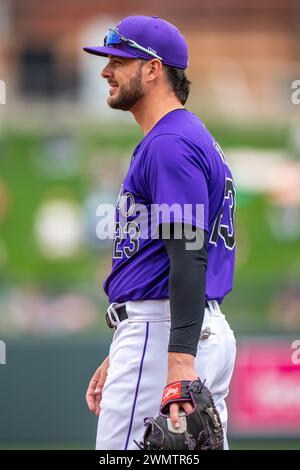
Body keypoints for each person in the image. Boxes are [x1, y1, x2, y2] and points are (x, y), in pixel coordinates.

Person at [84, 15, 236, 450]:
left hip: (166, 332)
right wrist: (123, 348)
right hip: (181, 328)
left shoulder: (170, 143)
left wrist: (176, 363)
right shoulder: (188, 137)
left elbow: (188, 254)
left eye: (118, 59)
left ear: (152, 69)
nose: (105, 70)